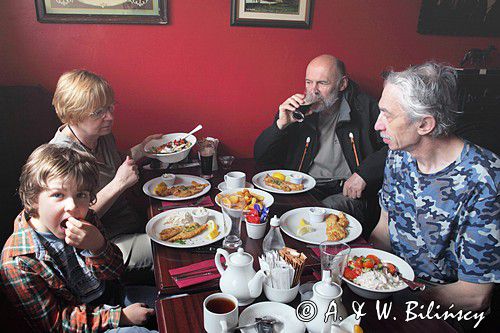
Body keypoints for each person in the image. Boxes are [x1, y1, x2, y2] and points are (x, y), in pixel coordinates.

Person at [370, 62, 499, 313]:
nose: (377, 125)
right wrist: (357, 267)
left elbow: (475, 295)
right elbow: (384, 230)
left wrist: (406, 301)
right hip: (391, 286)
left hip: (441, 311)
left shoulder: (485, 180)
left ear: (425, 125)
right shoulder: (399, 154)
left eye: (388, 115)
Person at [0, 144, 156, 332]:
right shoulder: (18, 261)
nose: (72, 206)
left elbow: (115, 272)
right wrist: (120, 317)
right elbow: (56, 324)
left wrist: (98, 246)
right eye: (58, 195)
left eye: (81, 194)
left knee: (172, 304)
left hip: (116, 298)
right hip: (86, 325)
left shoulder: (87, 217)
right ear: (33, 199)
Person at [254, 54, 387, 228]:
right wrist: (280, 125)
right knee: (263, 210)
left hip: (347, 192)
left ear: (342, 84)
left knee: (318, 216)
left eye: (322, 83)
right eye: (309, 82)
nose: (313, 90)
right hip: (306, 188)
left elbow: (394, 149)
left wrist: (364, 174)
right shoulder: (297, 112)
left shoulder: (366, 109)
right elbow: (261, 158)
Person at [49, 69, 162, 271]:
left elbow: (115, 162)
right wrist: (119, 184)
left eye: (111, 107)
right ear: (73, 115)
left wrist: (141, 149)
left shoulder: (101, 134)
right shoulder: (60, 159)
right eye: (99, 112)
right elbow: (71, 225)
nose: (110, 117)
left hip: (131, 223)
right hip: (104, 245)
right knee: (170, 248)